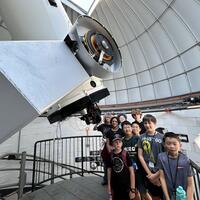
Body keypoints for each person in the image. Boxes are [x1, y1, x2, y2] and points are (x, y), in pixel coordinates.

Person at [157, 132, 194, 200]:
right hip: (168, 194)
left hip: (182, 195)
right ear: (164, 145)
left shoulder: (185, 160)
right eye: (168, 144)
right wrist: (167, 197)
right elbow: (162, 178)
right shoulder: (161, 157)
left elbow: (190, 184)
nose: (171, 146)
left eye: (174, 144)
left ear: (180, 145)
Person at [138, 114, 164, 200]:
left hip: (160, 172)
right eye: (145, 123)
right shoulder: (141, 137)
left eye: (149, 123)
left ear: (155, 123)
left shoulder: (162, 137)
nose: (147, 125)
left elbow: (165, 158)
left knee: (163, 194)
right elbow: (140, 156)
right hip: (148, 171)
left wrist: (156, 176)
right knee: (153, 195)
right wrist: (150, 174)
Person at [107, 134, 136, 200]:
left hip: (126, 186)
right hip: (115, 185)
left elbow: (131, 172)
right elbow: (109, 171)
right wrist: (109, 186)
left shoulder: (125, 154)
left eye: (119, 142)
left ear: (122, 143)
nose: (118, 144)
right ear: (112, 144)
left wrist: (132, 189)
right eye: (115, 142)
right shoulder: (110, 155)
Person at [96, 112, 113, 185]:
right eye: (106, 117)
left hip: (112, 145)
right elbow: (95, 128)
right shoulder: (102, 126)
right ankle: (105, 179)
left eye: (109, 117)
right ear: (105, 118)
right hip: (104, 146)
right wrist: (98, 122)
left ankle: (113, 179)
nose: (108, 118)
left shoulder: (114, 125)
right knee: (106, 163)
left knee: (114, 162)